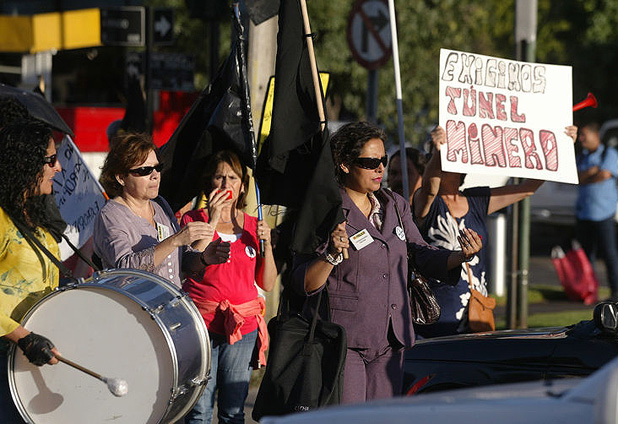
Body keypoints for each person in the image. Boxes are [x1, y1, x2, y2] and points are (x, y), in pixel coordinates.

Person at [292, 121, 481, 404]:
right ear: (344, 164)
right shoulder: (325, 209)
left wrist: (460, 255)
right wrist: (331, 254)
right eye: (370, 162)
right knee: (350, 418)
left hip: (392, 337)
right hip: (345, 339)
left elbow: (420, 251)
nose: (380, 168)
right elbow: (303, 282)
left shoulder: (395, 204)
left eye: (383, 160)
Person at [413, 125, 578, 337]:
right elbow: (430, 188)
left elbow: (527, 188)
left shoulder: (477, 200)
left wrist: (561, 148)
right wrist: (438, 151)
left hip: (476, 313)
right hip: (438, 313)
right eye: (444, 158)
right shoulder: (426, 202)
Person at [180, 150, 277, 424]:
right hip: (201, 325)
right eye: (219, 177)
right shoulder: (192, 220)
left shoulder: (254, 226)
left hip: (242, 328)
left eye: (232, 178)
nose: (225, 184)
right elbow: (191, 265)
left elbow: (267, 283)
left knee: (233, 411)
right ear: (209, 182)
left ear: (242, 186)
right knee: (199, 411)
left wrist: (268, 244)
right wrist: (212, 220)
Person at [93, 133, 223, 287]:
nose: (155, 175)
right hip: (135, 301)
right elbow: (124, 269)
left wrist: (203, 258)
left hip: (172, 300)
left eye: (158, 168)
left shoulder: (160, 204)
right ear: (121, 178)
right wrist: (174, 241)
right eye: (144, 170)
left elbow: (181, 261)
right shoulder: (111, 215)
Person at [0, 121, 64, 423]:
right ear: (25, 163)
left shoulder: (33, 213)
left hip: (28, 357)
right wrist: (23, 338)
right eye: (51, 159)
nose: (58, 167)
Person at [575, 122, 618, 300]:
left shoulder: (609, 153)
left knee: (610, 255)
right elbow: (576, 177)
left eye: (584, 135)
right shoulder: (582, 156)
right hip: (583, 213)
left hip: (604, 214)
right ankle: (589, 290)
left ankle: (615, 292)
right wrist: (591, 173)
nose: (581, 139)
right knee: (585, 257)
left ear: (596, 136)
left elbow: (605, 174)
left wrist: (586, 177)